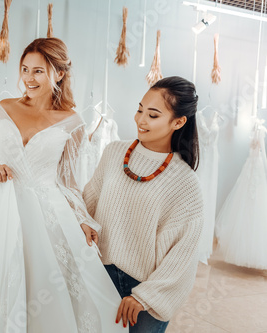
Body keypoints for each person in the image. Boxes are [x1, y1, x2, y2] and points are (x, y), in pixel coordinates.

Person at [0, 38, 127, 333]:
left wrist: (83, 218)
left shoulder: (73, 122)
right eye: (25, 70)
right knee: (3, 277)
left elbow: (69, 181)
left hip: (47, 213)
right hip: (5, 209)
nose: (28, 79)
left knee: (45, 286)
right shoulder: (2, 108)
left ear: (58, 73)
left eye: (38, 71)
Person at [83, 76, 204, 333]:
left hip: (145, 291)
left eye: (153, 115)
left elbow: (182, 254)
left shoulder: (185, 181)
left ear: (179, 122)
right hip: (99, 274)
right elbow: (88, 202)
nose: (140, 120)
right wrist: (83, 222)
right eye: (140, 110)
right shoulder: (114, 152)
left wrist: (145, 296)